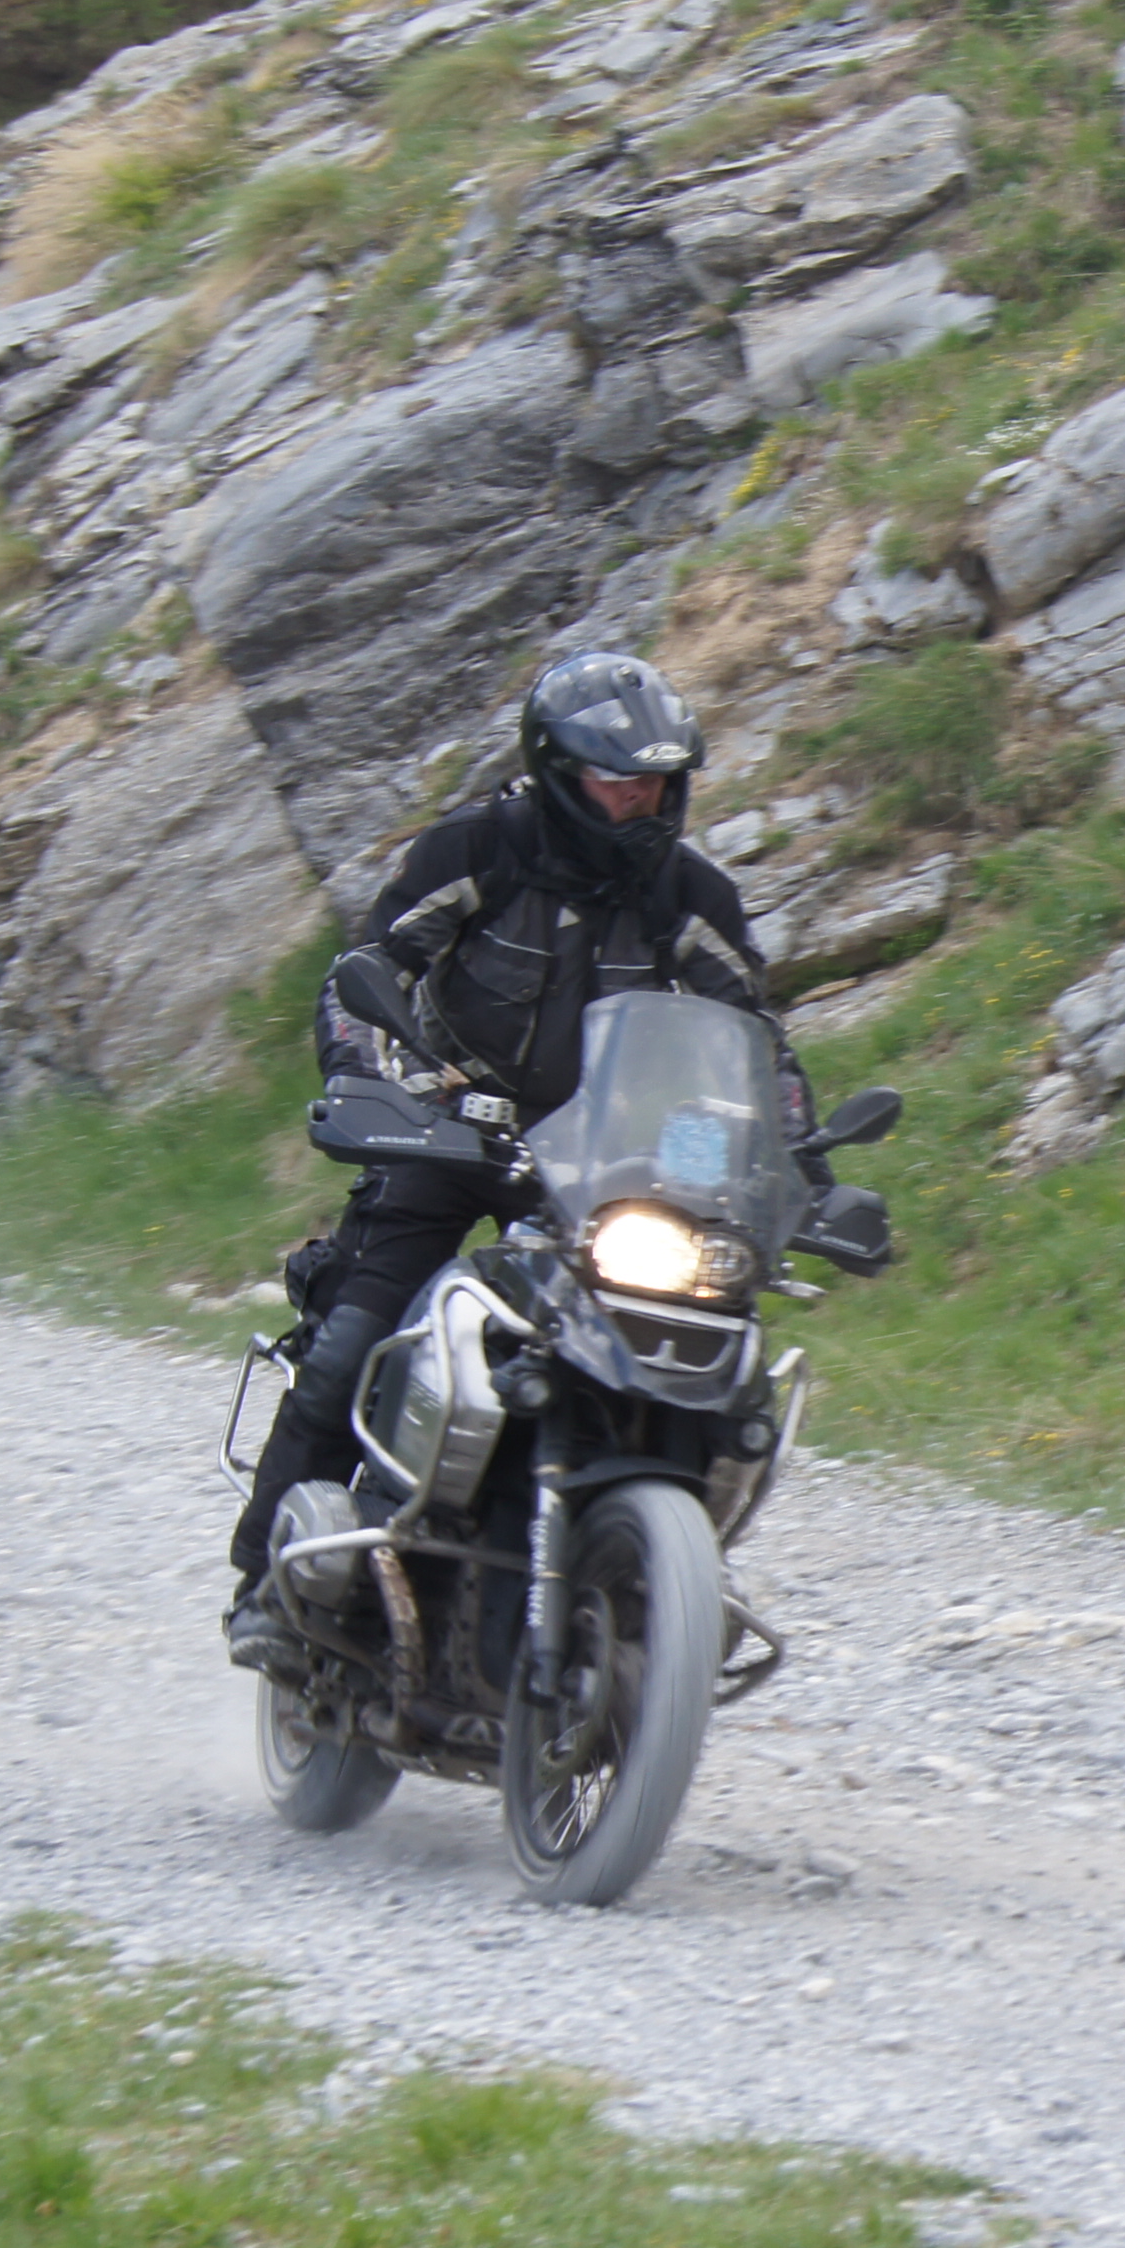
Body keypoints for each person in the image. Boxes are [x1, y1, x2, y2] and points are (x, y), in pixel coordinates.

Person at [224, 649, 806, 1671]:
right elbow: (368, 967)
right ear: (559, 772)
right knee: (353, 1338)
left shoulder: (688, 894)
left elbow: (759, 1043)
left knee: (681, 1356)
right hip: (450, 1132)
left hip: (597, 1161)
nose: (639, 800)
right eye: (617, 780)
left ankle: (643, 1578)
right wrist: (368, 1081)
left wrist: (796, 1161)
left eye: (658, 782)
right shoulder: (480, 848)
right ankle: (267, 1587)